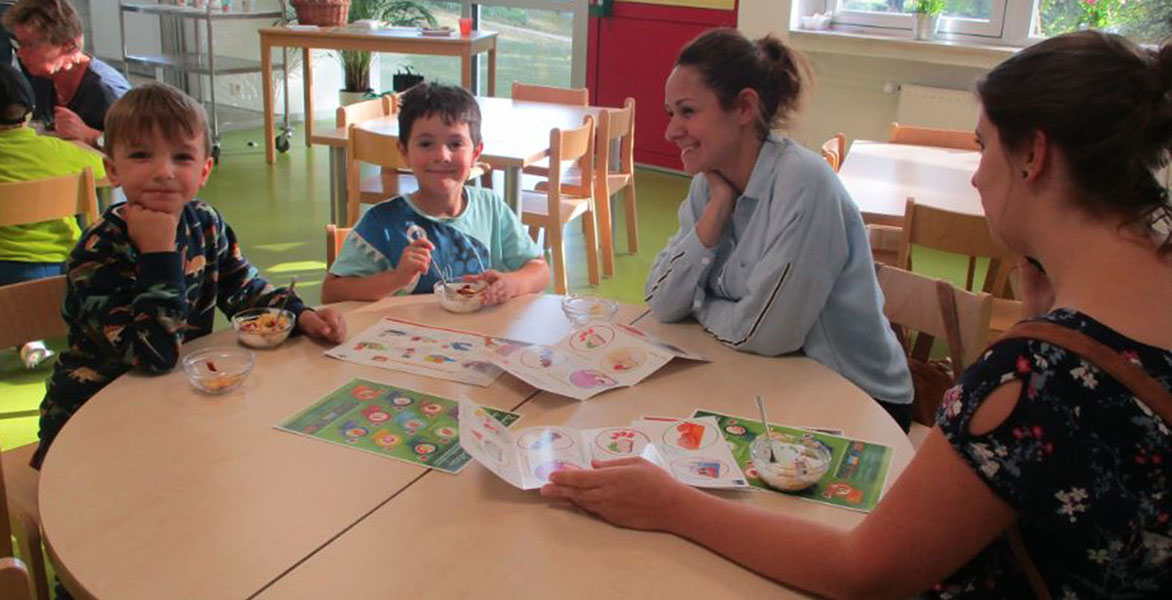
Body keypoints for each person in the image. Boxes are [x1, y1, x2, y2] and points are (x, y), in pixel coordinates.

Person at [543, 31, 1172, 598]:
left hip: (842, 403)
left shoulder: (1034, 378)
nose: (978, 177)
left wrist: (671, 505)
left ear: (1033, 156)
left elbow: (863, 572)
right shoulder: (1077, 335)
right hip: (779, 383)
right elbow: (666, 301)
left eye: (983, 146)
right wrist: (1046, 309)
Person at [34, 83, 347, 468]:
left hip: (170, 408)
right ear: (112, 169)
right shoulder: (100, 249)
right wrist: (159, 254)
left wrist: (300, 315)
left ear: (204, 170)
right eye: (141, 155)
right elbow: (152, 354)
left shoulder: (206, 224)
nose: (163, 172)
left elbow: (246, 289)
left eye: (181, 157)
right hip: (88, 430)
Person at [643, 28, 913, 429]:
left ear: (744, 107)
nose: (670, 131)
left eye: (687, 112)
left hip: (858, 398)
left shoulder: (803, 183)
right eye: (671, 114)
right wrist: (718, 208)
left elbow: (766, 334)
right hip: (769, 378)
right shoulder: (710, 183)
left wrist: (699, 305)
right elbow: (662, 303)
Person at [322, 82, 549, 305]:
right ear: (404, 151)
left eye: (455, 143)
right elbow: (332, 292)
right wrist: (396, 279)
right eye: (426, 144)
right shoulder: (382, 222)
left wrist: (512, 283)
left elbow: (540, 270)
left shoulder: (490, 207)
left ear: (476, 153)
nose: (441, 155)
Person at [0, 59, 104, 368]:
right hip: (66, 272)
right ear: (29, 111)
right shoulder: (60, 152)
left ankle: (25, 335)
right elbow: (103, 170)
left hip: (8, 279)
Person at [3, 0, 129, 146]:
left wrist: (90, 135)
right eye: (19, 44)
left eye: (29, 45)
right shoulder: (44, 77)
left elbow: (139, 147)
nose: (20, 54)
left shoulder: (107, 90)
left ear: (68, 46)